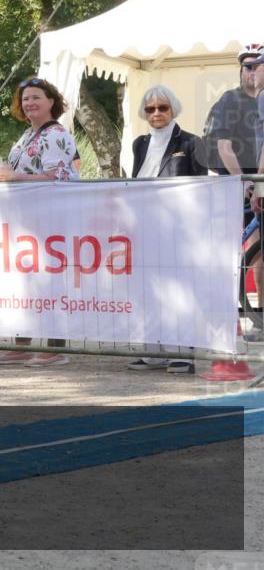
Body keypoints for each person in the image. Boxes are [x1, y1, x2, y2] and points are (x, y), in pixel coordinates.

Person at [0, 77, 79, 367]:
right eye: (25, 99)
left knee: (50, 282)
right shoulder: (28, 134)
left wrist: (16, 177)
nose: (29, 103)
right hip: (25, 219)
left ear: (51, 101)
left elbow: (58, 176)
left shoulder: (55, 134)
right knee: (24, 282)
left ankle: (54, 348)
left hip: (49, 220)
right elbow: (20, 169)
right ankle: (21, 343)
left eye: (36, 97)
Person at [125, 85, 208, 374]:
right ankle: (152, 352)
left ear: (173, 109)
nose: (156, 113)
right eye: (150, 109)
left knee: (179, 292)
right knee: (149, 290)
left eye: (162, 108)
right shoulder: (139, 144)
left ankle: (182, 352)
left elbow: (202, 189)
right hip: (144, 228)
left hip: (178, 229)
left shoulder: (191, 142)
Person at [202, 44, 262, 177]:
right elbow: (224, 146)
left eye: (257, 67)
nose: (252, 72)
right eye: (248, 67)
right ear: (241, 72)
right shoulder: (230, 99)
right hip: (238, 182)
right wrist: (243, 181)